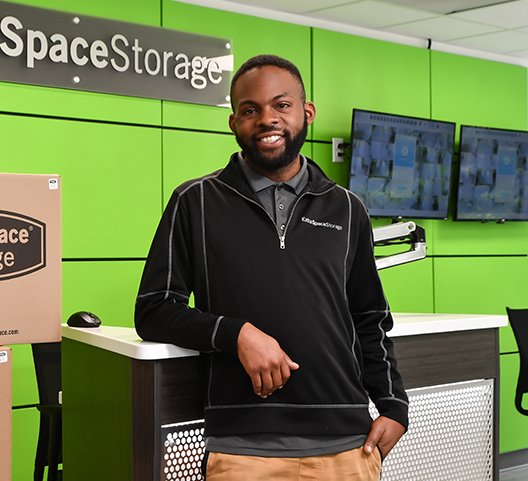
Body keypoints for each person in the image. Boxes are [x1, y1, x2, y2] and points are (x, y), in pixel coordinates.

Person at [134, 54, 407, 480]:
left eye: (281, 105)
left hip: (347, 446)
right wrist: (237, 334)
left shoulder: (348, 208)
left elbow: (369, 318)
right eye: (250, 110)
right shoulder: (196, 202)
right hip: (243, 450)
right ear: (234, 124)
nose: (267, 119)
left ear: (306, 113)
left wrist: (393, 406)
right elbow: (153, 310)